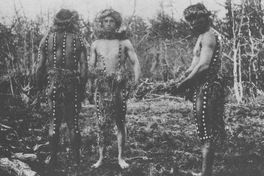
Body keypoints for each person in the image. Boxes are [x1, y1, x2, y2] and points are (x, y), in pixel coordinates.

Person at [172, 3, 225, 176]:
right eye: (190, 20)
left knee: (206, 133)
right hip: (203, 87)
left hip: (207, 87)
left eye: (196, 18)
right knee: (204, 131)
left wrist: (184, 83)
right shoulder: (203, 35)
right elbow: (195, 65)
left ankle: (206, 174)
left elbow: (203, 66)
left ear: (206, 17)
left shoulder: (209, 36)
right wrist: (180, 79)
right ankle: (205, 172)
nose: (193, 23)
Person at [89, 8, 141, 169]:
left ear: (117, 23)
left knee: (120, 122)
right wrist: (90, 87)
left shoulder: (124, 43)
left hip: (118, 88)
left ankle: (121, 157)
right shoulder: (96, 44)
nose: (109, 24)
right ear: (102, 24)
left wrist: (136, 82)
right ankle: (101, 158)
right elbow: (91, 67)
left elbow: (135, 62)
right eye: (106, 21)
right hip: (102, 88)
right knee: (102, 123)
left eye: (112, 21)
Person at [36, 9, 88, 167]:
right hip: (72, 85)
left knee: (53, 122)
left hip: (53, 84)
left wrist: (39, 88)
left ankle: (53, 158)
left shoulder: (46, 39)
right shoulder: (79, 39)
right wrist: (82, 87)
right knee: (73, 123)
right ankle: (77, 161)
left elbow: (39, 67)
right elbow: (84, 68)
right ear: (73, 21)